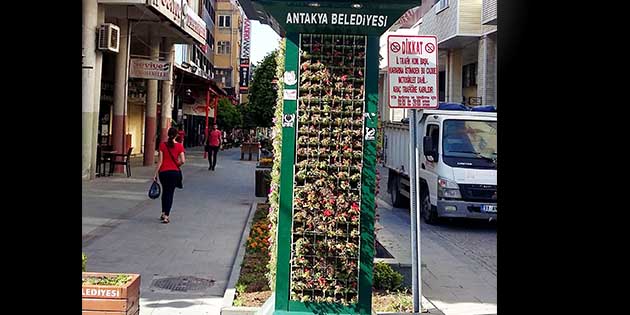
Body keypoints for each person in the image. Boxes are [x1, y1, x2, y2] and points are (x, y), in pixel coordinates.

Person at [153, 127, 186, 224]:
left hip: (163, 172)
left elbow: (160, 161)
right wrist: (177, 164)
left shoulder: (162, 145)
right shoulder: (180, 146)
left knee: (165, 192)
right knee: (170, 193)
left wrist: (155, 173)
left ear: (168, 134)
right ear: (176, 135)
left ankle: (163, 212)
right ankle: (166, 215)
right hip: (174, 173)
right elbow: (183, 161)